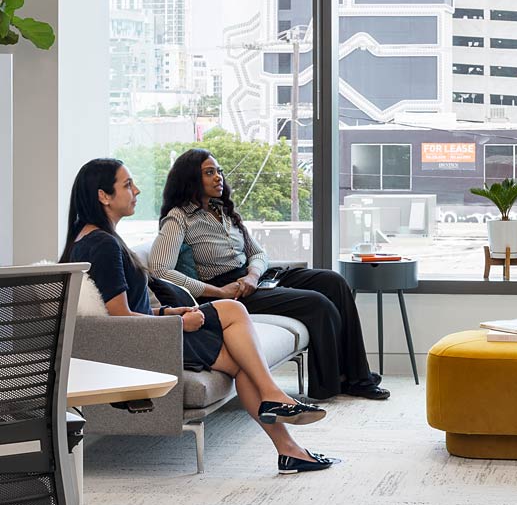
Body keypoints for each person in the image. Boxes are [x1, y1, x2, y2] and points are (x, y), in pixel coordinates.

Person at [60, 158, 335, 474]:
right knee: (236, 326)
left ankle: (288, 442)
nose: (136, 190)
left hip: (149, 333)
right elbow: (122, 319)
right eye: (127, 184)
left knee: (238, 337)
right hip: (151, 344)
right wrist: (178, 323)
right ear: (103, 196)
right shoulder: (103, 244)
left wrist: (167, 311)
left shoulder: (87, 238)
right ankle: (281, 422)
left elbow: (121, 309)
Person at [149, 149, 389, 401]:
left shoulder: (223, 211)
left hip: (253, 278)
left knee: (334, 281)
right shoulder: (178, 218)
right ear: (190, 179)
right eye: (209, 173)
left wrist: (253, 274)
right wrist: (219, 293)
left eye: (218, 171)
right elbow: (160, 270)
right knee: (317, 304)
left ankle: (357, 376)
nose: (218, 177)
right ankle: (333, 383)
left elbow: (259, 253)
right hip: (229, 291)